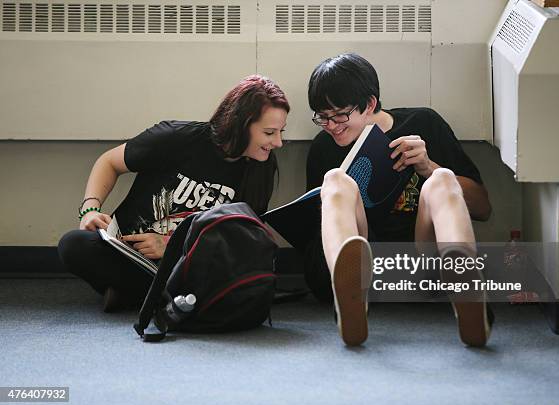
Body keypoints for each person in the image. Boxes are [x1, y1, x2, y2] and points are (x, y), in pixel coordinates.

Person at [304, 53, 492, 347]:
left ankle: (464, 283)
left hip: (422, 261)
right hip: (368, 269)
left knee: (442, 179)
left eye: (340, 114)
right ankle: (350, 296)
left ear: (370, 104)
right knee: (335, 180)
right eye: (322, 117)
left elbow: (483, 207)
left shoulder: (424, 123)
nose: (331, 125)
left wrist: (429, 167)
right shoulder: (323, 149)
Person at [58, 75, 289, 312]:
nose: (278, 142)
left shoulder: (261, 167)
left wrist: (172, 245)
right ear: (240, 125)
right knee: (73, 245)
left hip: (188, 262)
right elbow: (109, 162)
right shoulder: (176, 137)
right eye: (270, 133)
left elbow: (239, 236)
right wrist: (90, 209)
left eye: (281, 131)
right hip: (131, 252)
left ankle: (138, 295)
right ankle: (170, 300)